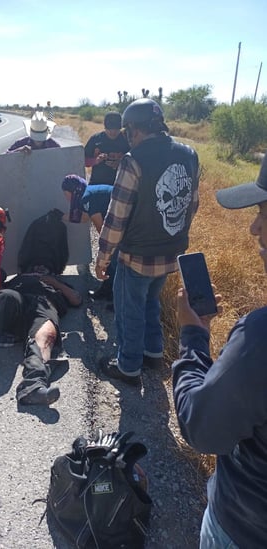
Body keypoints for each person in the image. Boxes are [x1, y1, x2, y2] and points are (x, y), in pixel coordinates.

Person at [172, 154, 267, 549]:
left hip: (244, 529)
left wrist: (193, 336)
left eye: (264, 212)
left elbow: (202, 428)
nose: (254, 228)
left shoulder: (260, 338)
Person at [95, 98, 199, 383]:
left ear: (133, 130)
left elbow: (116, 218)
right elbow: (192, 204)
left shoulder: (133, 160)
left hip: (136, 257)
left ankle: (128, 366)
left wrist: (103, 259)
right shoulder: (189, 154)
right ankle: (154, 355)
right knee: (151, 303)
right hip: (171, 254)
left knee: (130, 312)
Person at [0, 265, 82, 406]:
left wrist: (54, 283)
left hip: (45, 307)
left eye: (43, 266)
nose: (39, 267)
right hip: (16, 306)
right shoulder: (17, 279)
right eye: (35, 264)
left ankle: (33, 388)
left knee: (48, 334)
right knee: (6, 296)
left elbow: (76, 300)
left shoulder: (57, 282)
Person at [61, 174, 116, 300]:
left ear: (72, 191)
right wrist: (61, 216)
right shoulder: (87, 192)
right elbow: (86, 217)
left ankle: (115, 297)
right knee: (113, 259)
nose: (66, 197)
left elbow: (101, 228)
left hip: (126, 223)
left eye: (65, 194)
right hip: (121, 221)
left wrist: (104, 252)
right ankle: (107, 291)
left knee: (114, 260)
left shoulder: (87, 198)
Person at [84, 111, 130, 185]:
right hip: (97, 184)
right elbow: (83, 162)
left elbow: (136, 162)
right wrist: (95, 161)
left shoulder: (127, 141)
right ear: (105, 127)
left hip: (119, 185)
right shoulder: (95, 139)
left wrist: (120, 164)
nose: (113, 132)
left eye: (116, 129)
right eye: (109, 129)